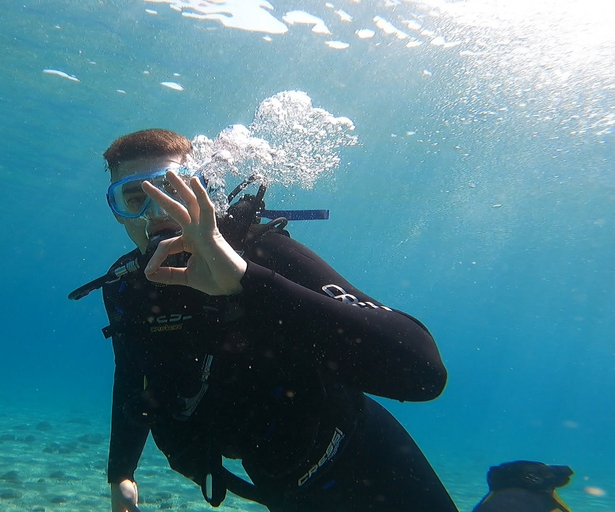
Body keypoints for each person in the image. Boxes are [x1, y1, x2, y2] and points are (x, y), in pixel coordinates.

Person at [73, 128, 458, 511]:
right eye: (134, 198)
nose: (157, 212)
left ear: (202, 191)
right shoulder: (128, 289)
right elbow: (130, 373)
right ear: (117, 212)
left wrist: (245, 280)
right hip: (278, 486)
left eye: (173, 189)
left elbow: (424, 373)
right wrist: (121, 475)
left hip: (372, 462)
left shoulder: (263, 253)